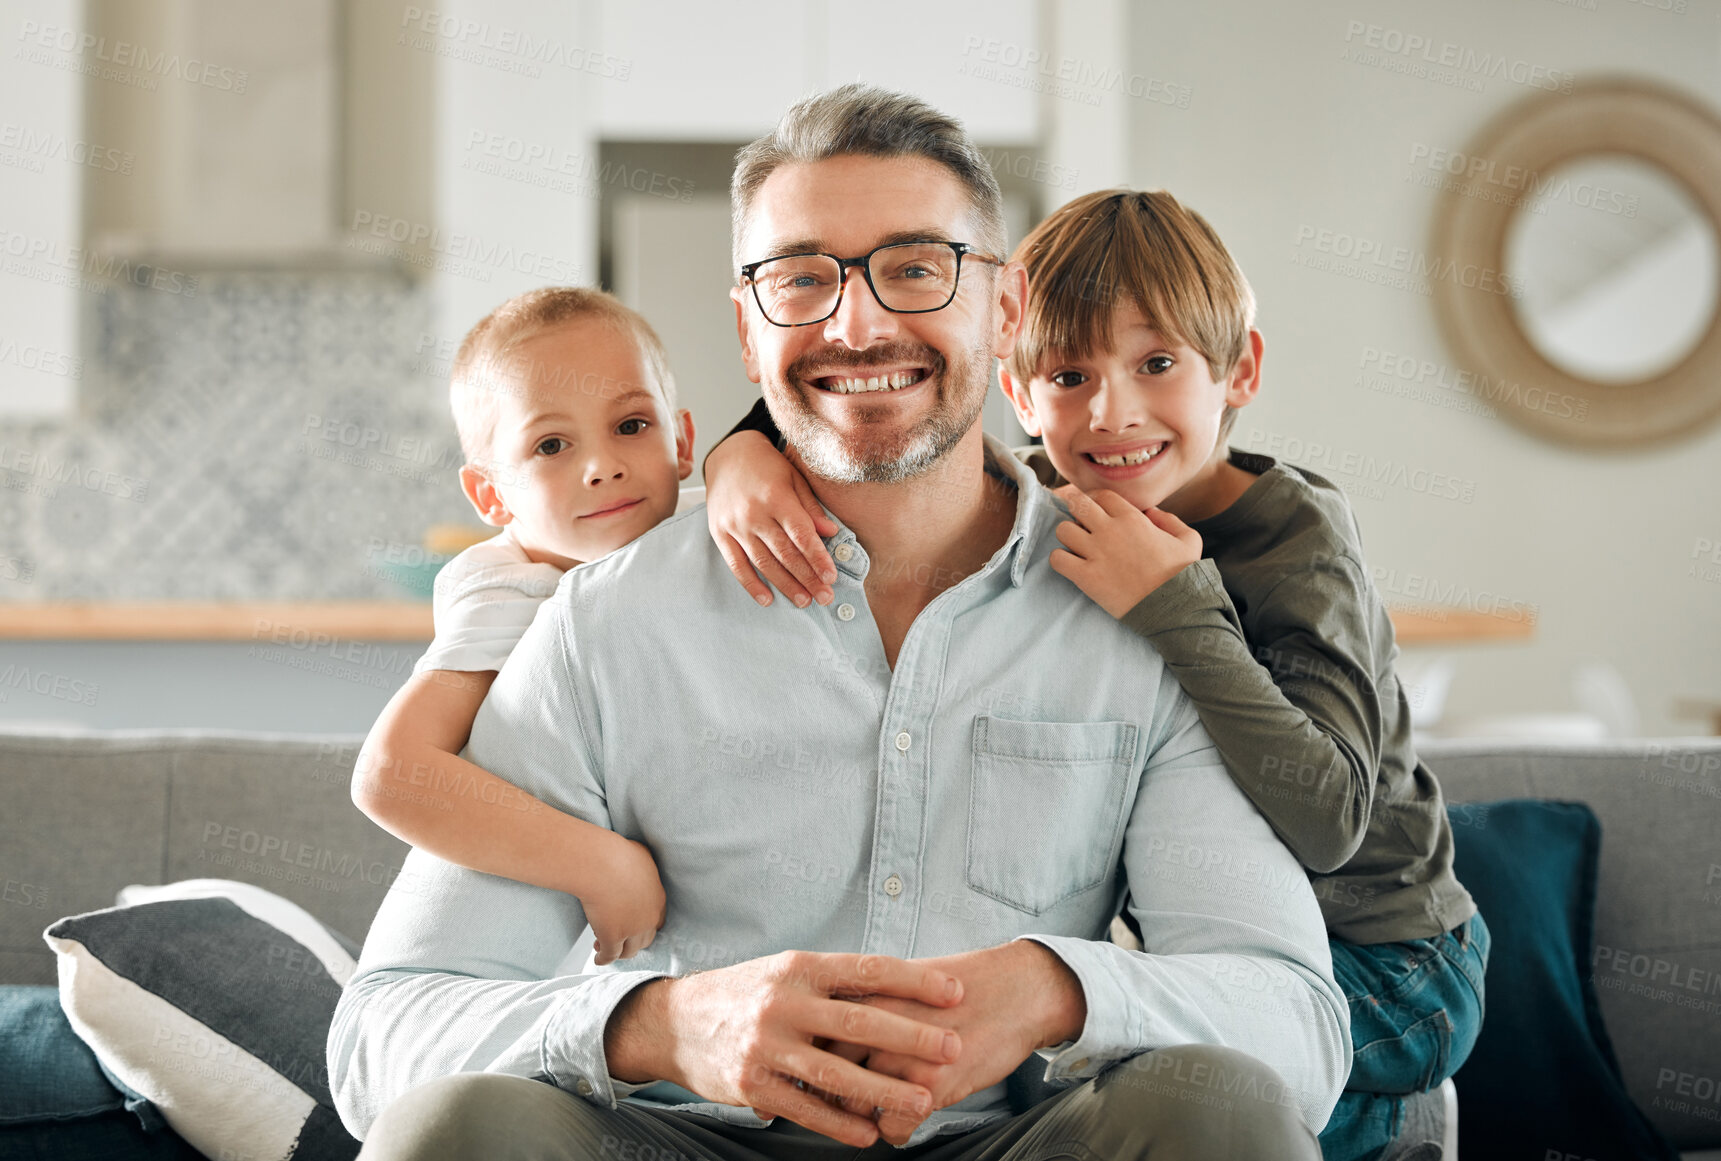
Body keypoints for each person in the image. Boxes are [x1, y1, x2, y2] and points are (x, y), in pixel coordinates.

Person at [329, 86, 1349, 1161]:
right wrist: (658, 1025)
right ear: (744, 326)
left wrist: (1059, 989)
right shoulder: (606, 624)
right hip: (683, 1140)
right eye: (800, 279)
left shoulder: (1140, 614)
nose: (856, 326)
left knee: (1219, 1111)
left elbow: (1295, 1030)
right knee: (458, 1126)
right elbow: (380, 1037)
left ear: (1002, 314)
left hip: (1006, 1142)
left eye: (916, 268)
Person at [704, 188, 1487, 1161]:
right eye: (1068, 374)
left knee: (1163, 1077)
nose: (1110, 412)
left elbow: (1327, 820)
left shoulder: (1295, 543)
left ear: (1237, 368)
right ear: (1017, 394)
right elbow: (880, 436)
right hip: (1181, 937)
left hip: (1387, 963)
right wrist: (741, 454)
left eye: (1155, 364)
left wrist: (1175, 606)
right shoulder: (1042, 499)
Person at [353, 287, 694, 965]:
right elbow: (392, 773)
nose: (603, 465)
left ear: (681, 441)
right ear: (490, 494)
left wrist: (749, 459)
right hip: (534, 955)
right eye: (551, 444)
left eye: (631, 425)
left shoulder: (690, 531)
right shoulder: (516, 590)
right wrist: (602, 865)